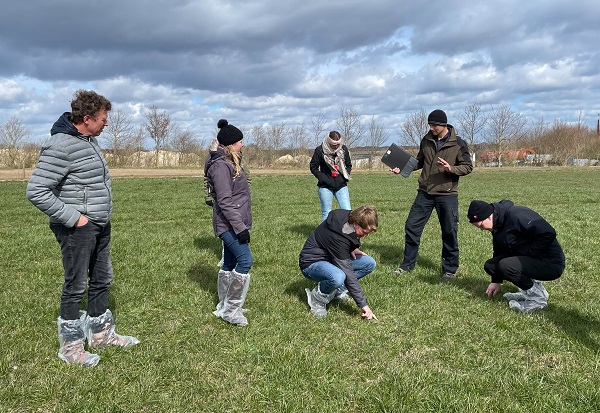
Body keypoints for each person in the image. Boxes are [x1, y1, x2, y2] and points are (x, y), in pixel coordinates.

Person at [26, 90, 139, 367]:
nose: (107, 124)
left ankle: (100, 334)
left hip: (99, 224)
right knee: (75, 286)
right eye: (103, 119)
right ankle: (71, 346)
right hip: (78, 228)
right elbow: (37, 190)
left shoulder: (88, 141)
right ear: (86, 119)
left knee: (102, 279)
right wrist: (75, 218)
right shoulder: (61, 145)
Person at [391, 109, 473, 281]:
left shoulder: (458, 143)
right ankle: (407, 265)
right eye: (430, 124)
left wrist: (451, 169)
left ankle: (450, 270)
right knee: (411, 227)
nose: (431, 128)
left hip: (447, 194)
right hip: (425, 193)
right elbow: (420, 161)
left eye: (434, 125)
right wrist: (402, 167)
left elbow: (467, 167)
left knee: (449, 231)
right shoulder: (427, 140)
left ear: (444, 124)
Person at [467, 200, 565, 313]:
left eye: (481, 225)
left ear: (489, 217)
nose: (482, 229)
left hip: (551, 263)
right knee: (491, 266)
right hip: (533, 258)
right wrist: (496, 280)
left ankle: (537, 299)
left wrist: (529, 254)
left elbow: (548, 233)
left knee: (506, 266)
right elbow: (499, 250)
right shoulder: (498, 223)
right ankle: (530, 291)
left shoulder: (517, 216)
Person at [205, 119, 252, 326]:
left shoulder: (230, 162)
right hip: (229, 224)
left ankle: (227, 304)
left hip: (234, 222)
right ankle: (231, 310)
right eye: (240, 141)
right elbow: (224, 201)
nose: (242, 144)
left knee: (230, 263)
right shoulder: (220, 166)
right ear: (231, 144)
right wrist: (240, 228)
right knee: (245, 261)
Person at [299, 205, 379, 320]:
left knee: (369, 263)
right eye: (364, 232)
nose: (365, 236)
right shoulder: (338, 237)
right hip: (312, 263)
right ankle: (317, 298)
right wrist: (364, 305)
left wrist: (352, 248)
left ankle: (336, 290)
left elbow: (348, 239)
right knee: (339, 276)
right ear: (356, 223)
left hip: (331, 258)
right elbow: (349, 275)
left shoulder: (350, 218)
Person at [310, 131, 352, 221]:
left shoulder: (343, 149)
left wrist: (344, 177)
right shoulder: (320, 150)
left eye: (338, 144)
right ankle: (325, 234)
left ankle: (346, 234)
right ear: (328, 142)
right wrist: (323, 178)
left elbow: (348, 165)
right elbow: (313, 167)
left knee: (348, 211)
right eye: (333, 145)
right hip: (325, 186)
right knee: (326, 213)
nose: (336, 147)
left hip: (341, 186)